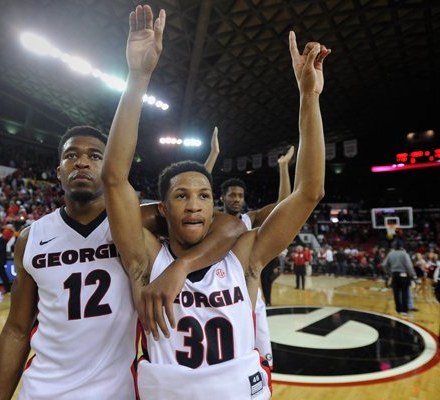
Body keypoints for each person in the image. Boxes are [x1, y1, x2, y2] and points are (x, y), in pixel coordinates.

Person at [0, 7, 244, 399]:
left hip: (118, 391)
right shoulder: (31, 238)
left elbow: (227, 226)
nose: (83, 162)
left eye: (94, 155)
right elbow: (18, 329)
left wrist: (138, 75)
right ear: (58, 171)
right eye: (72, 155)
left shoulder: (136, 224)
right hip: (41, 391)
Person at [102, 22, 329, 399]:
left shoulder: (244, 255)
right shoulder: (144, 259)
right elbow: (113, 179)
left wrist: (309, 97)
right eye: (181, 196)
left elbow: (310, 192)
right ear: (162, 207)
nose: (194, 204)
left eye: (204, 196)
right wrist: (139, 76)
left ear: (215, 207)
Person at [205, 128, 294, 368]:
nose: (236, 199)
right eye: (232, 195)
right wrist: (214, 154)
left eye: (240, 195)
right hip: (219, 293)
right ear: (221, 198)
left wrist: (284, 168)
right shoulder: (210, 218)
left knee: (260, 356)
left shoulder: (250, 218)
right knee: (225, 356)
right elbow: (199, 183)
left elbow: (283, 206)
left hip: (249, 292)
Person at [382, 241, 416, 316]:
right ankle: (404, 310)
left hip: (394, 275)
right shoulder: (404, 254)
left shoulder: (390, 254)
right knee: (404, 293)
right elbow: (409, 266)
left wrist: (389, 273)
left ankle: (398, 309)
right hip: (404, 275)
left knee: (396, 293)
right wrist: (413, 275)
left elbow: (384, 265)